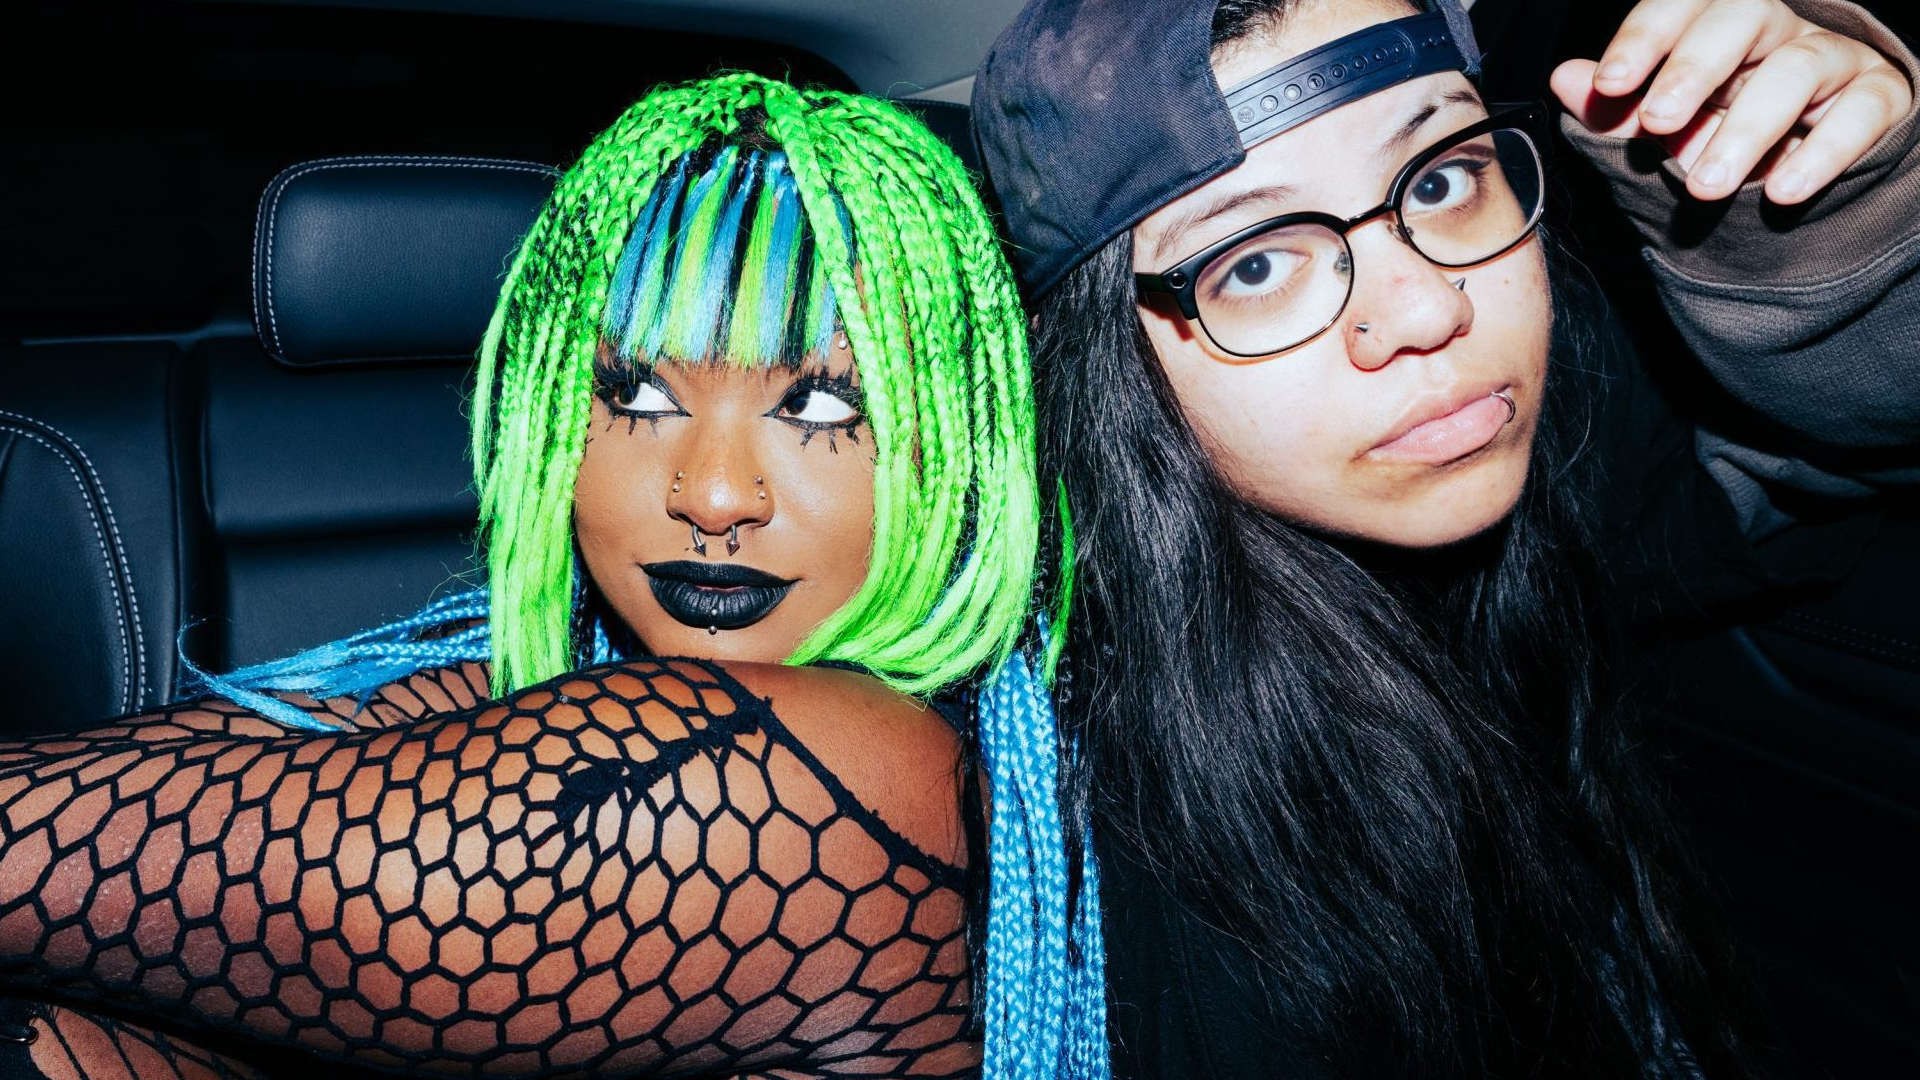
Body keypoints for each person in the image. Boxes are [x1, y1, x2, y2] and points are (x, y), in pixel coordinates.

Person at [0, 74, 1107, 1079]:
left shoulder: (862, 782)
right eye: (638, 394)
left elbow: (137, 857)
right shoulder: (538, 671)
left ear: (964, 441)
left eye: (818, 404)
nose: (714, 493)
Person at [971, 0, 1917, 1075]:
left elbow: (1826, 474)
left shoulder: (1567, 450)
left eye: (1439, 180)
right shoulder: (1145, 888)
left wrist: (1833, 239)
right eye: (1254, 264)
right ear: (1106, 366)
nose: (1428, 312)